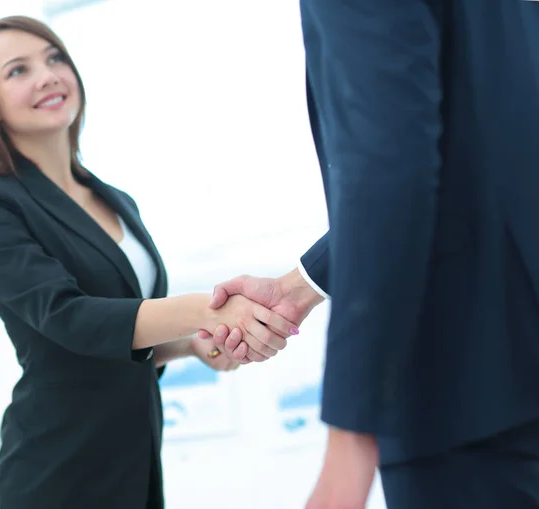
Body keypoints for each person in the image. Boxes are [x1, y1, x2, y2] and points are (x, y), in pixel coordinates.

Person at [0, 16, 298, 509]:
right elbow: (67, 318)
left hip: (136, 462)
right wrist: (210, 310)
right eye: (18, 70)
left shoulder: (117, 202)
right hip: (56, 468)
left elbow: (121, 336)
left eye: (54, 58)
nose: (47, 75)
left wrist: (191, 346)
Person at [201, 1, 539, 508]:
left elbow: (391, 171)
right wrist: (297, 288)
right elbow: (468, 153)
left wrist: (350, 442)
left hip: (466, 391)